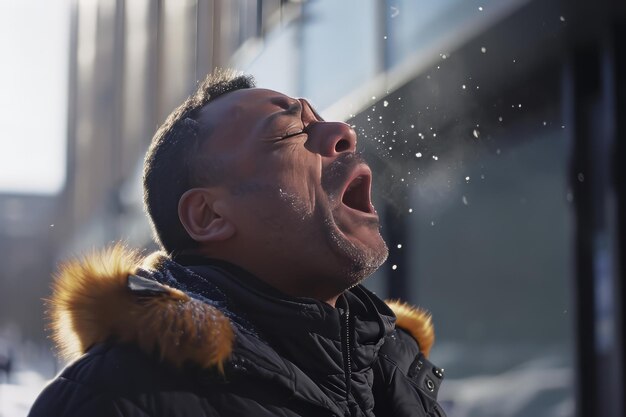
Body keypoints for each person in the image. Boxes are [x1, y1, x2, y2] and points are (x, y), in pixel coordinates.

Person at [29, 69, 447, 417]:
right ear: (209, 216)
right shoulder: (110, 399)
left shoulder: (395, 377)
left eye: (321, 119)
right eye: (289, 132)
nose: (342, 132)